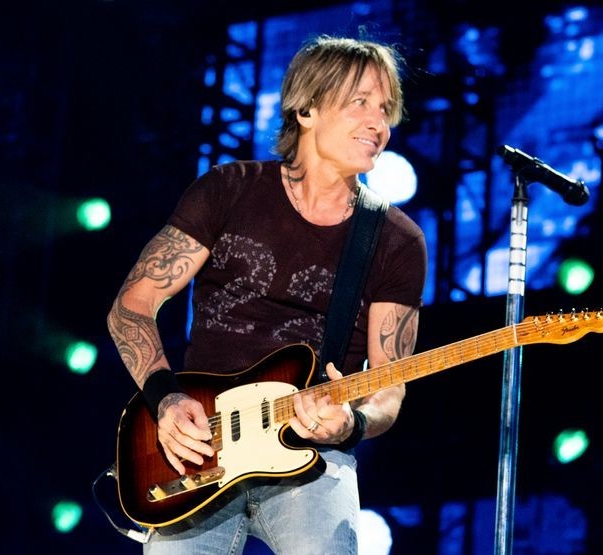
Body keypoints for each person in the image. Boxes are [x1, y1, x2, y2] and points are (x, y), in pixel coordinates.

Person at [106, 34, 428, 554]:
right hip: (198, 447)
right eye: (361, 102)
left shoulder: (396, 239)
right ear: (306, 109)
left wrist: (353, 422)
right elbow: (132, 307)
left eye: (386, 109)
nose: (379, 124)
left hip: (313, 460)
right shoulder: (228, 190)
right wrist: (165, 400)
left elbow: (389, 384)